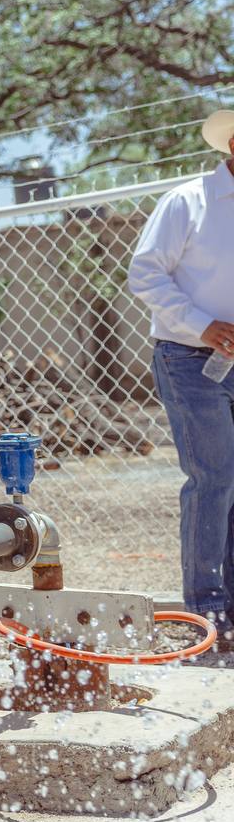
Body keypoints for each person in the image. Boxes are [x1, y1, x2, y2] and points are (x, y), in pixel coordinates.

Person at [129, 108, 234, 640]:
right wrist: (203, 325)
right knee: (214, 479)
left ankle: (230, 608)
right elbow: (144, 274)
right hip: (190, 357)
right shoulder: (188, 201)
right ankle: (208, 612)